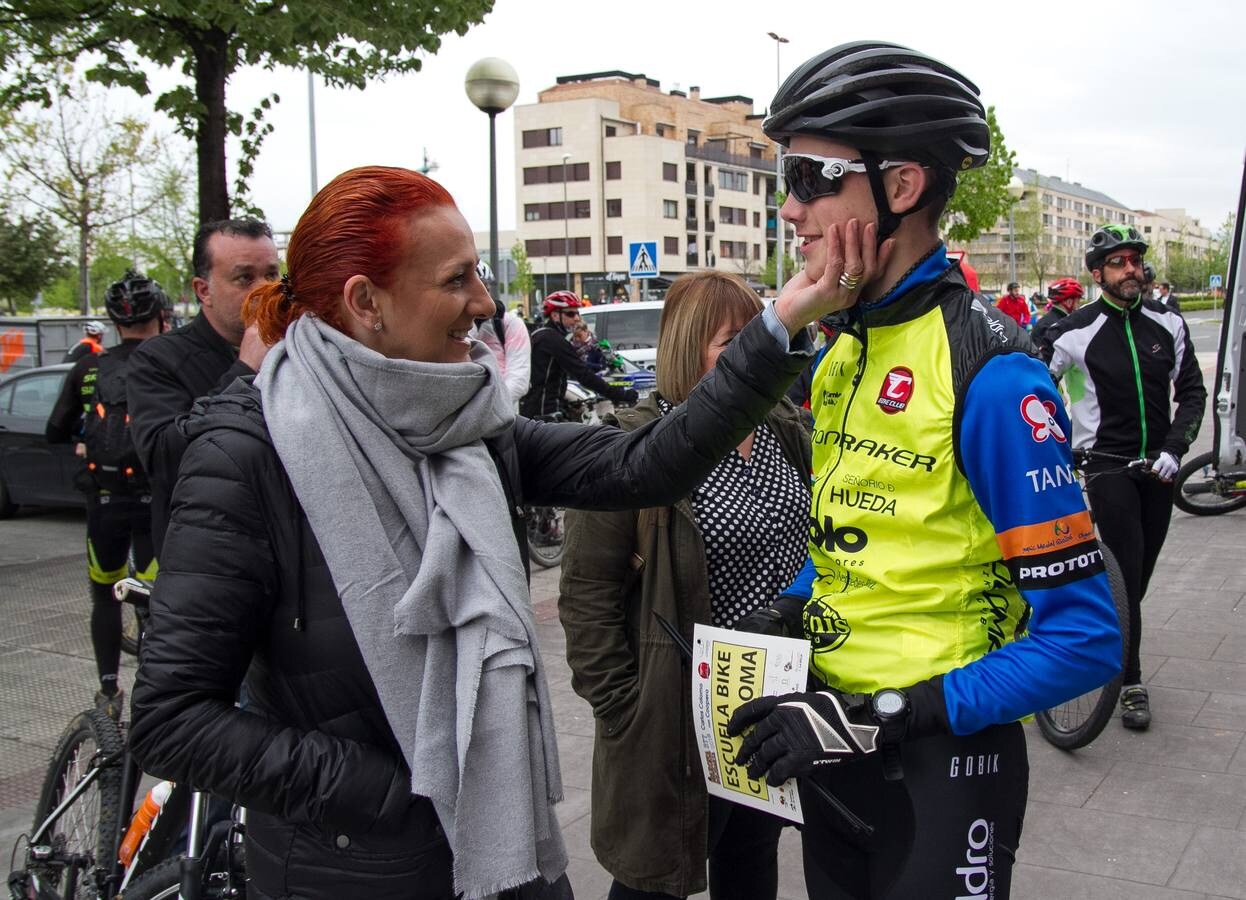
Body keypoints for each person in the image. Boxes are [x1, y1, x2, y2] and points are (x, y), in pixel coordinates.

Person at [127, 164, 855, 900]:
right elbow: (171, 720)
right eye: (457, 280)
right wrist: (394, 791)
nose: (484, 302)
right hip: (356, 870)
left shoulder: (472, 424)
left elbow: (647, 462)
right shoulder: (249, 452)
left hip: (507, 854)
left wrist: (781, 322)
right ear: (365, 302)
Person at [722, 41, 1121, 899]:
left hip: (943, 766)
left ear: (901, 187)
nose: (789, 210)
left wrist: (874, 717)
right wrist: (789, 602)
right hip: (833, 748)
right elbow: (853, 538)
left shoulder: (991, 372)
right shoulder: (838, 355)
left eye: (808, 177)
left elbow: (1085, 641)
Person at [559, 272, 811, 900]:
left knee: (751, 856)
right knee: (654, 876)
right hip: (675, 704)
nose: (753, 352)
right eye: (731, 342)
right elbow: (586, 594)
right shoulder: (632, 444)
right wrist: (623, 705)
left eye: (758, 335)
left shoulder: (783, 427)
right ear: (686, 346)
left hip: (768, 694)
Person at [1042, 224, 1206, 730]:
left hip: (1159, 469)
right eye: (1118, 263)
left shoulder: (1167, 323)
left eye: (1135, 260)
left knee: (1139, 579)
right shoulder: (1072, 331)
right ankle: (1130, 680)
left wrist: (1176, 450)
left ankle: (1102, 628)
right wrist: (1053, 443)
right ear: (1097, 274)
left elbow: (1194, 393)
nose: (1131, 269)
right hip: (1105, 466)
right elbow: (1033, 393)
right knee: (1128, 571)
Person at [46, 271, 164, 718]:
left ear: (113, 322)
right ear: (160, 315)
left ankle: (108, 691)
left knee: (104, 595)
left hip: (104, 502)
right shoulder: (167, 361)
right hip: (156, 503)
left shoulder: (88, 366)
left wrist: (82, 435)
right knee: (156, 601)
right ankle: (155, 695)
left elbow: (53, 430)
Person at [127, 218, 280, 557]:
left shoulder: (297, 350)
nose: (265, 289)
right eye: (245, 278)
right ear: (203, 290)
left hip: (285, 558)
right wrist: (244, 370)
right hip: (208, 562)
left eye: (272, 274)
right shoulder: (158, 360)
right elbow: (165, 456)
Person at [520, 291, 638, 418]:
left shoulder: (542, 334)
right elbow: (583, 374)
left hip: (534, 411)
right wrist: (621, 395)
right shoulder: (552, 339)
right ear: (554, 315)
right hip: (545, 415)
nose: (576, 318)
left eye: (577, 313)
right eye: (570, 313)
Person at [469, 261, 531, 408]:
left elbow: (519, 378)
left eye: (486, 289)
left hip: (501, 414)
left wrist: (488, 411)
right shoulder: (452, 324)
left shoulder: (509, 323)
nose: (482, 297)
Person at [1031, 276, 1084, 354]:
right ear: (1069, 302)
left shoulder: (1048, 320)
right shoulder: (1059, 325)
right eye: (1077, 301)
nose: (1078, 305)